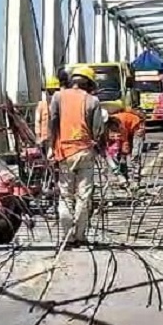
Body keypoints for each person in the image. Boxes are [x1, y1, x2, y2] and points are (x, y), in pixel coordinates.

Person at [49, 65, 105, 248]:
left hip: (64, 153)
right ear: (88, 83)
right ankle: (80, 236)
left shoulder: (58, 97)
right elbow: (98, 130)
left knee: (65, 194)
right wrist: (99, 146)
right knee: (83, 196)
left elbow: (53, 123)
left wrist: (51, 147)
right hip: (85, 153)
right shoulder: (93, 100)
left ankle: (68, 236)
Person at [105, 107, 146, 185]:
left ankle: (136, 179)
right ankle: (124, 178)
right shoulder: (109, 124)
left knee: (135, 155)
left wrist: (124, 152)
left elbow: (124, 141)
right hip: (127, 128)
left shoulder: (116, 122)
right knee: (119, 155)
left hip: (137, 127)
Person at [35, 76, 60, 158]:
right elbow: (37, 121)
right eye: (50, 91)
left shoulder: (61, 105)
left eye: (55, 91)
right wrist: (38, 136)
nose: (52, 94)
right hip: (45, 138)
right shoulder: (42, 105)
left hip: (58, 138)